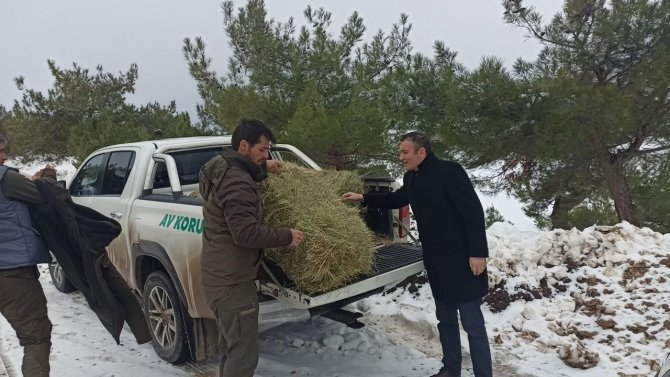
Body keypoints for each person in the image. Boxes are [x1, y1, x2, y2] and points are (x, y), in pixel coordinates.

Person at [341, 131, 493, 377]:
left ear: (421, 152)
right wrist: (363, 197)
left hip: (462, 258)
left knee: (472, 323)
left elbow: (473, 212)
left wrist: (478, 253)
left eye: (404, 152)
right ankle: (451, 370)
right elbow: (396, 198)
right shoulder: (411, 177)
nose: (401, 157)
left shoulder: (450, 172)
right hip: (436, 260)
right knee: (445, 320)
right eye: (400, 152)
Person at [199, 119, 304, 377]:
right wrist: (286, 236)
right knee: (243, 355)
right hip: (232, 283)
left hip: (218, 275)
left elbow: (240, 173)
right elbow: (245, 234)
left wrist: (263, 166)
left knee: (231, 347)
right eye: (262, 150)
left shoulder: (221, 166)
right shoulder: (238, 183)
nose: (266, 155)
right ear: (244, 145)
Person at [0, 132, 53, 377]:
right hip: (12, 275)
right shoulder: (6, 178)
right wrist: (47, 179)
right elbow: (42, 195)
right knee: (36, 339)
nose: (5, 155)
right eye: (0, 150)